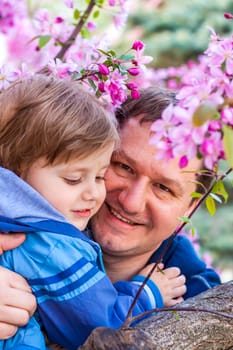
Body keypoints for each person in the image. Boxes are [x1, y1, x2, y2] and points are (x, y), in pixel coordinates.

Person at [0, 86, 221, 343]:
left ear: (191, 208)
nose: (131, 202)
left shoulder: (207, 304)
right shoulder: (25, 237)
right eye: (123, 167)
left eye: (163, 188)